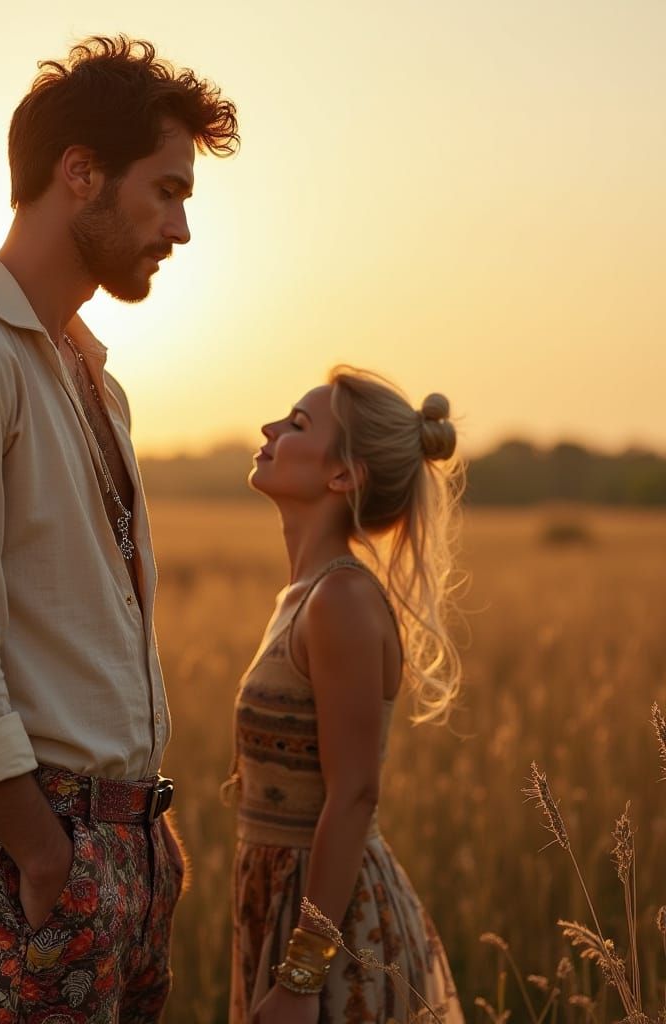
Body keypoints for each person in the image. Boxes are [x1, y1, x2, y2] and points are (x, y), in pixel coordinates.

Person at [0, 36, 238, 1023]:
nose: (182, 227)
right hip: (28, 847)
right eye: (165, 190)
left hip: (124, 841)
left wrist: (138, 832)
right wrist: (44, 850)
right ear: (80, 174)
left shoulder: (91, 377)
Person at [228, 367, 467, 1024]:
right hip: (283, 903)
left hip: (331, 929)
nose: (270, 429)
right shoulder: (302, 597)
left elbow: (355, 792)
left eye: (299, 425)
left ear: (343, 476)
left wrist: (303, 976)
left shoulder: (341, 600)